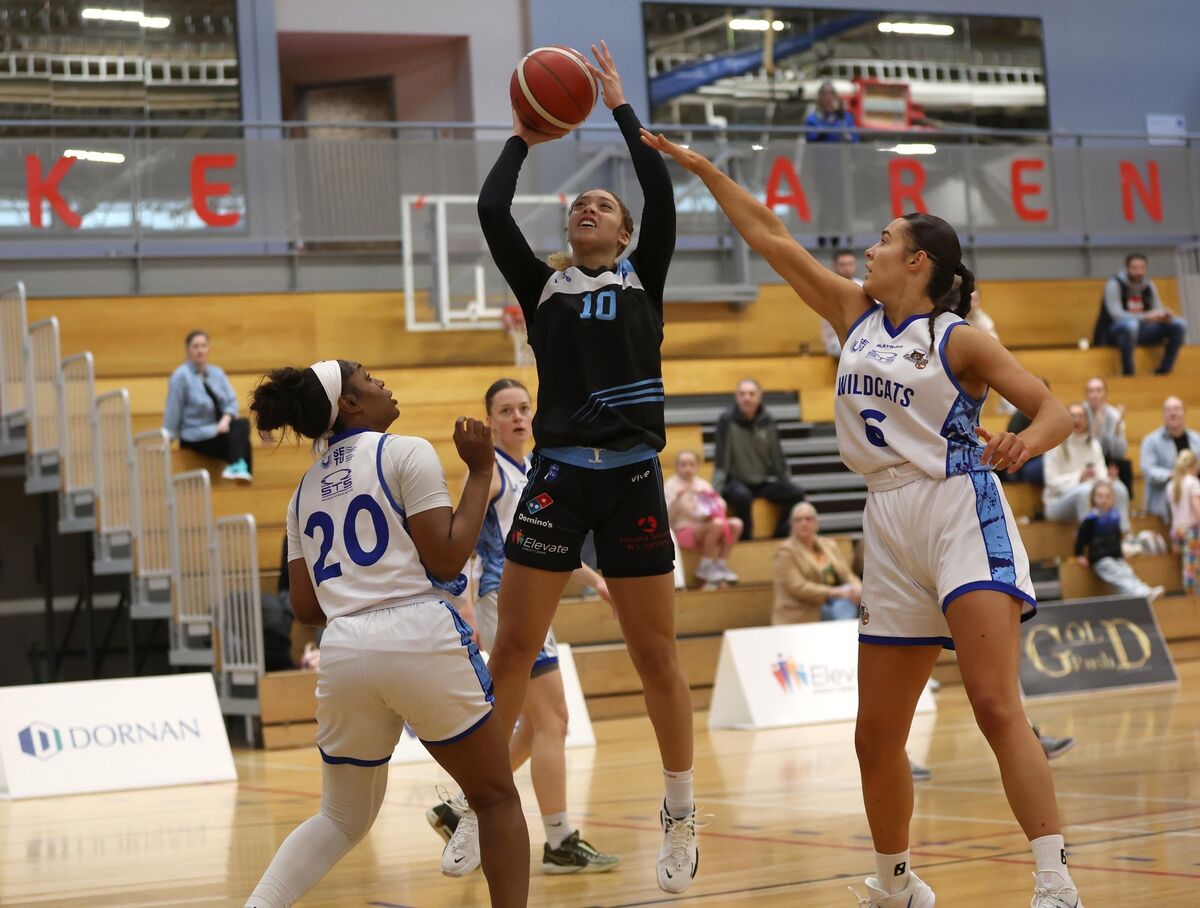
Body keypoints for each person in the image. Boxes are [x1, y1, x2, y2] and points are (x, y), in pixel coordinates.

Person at [642, 129, 1081, 908]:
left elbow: (1055, 409)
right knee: (874, 734)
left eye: (885, 241)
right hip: (886, 521)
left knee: (992, 704)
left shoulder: (960, 340)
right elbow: (770, 237)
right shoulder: (854, 315)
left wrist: (1023, 442)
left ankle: (1054, 881)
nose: (869, 251)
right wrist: (704, 167)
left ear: (919, 262)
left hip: (957, 508)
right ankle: (896, 886)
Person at [477, 42, 701, 894]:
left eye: (603, 204)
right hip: (560, 477)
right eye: (579, 203)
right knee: (512, 650)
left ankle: (679, 814)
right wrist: (524, 134)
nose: (589, 205)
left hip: (634, 475)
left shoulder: (649, 274)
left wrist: (618, 108)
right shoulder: (543, 288)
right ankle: (479, 800)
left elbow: (659, 187)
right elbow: (492, 207)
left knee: (656, 660)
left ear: (626, 233)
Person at [242, 360, 528, 908]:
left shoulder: (301, 492)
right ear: (349, 404)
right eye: (369, 380)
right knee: (494, 799)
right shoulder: (405, 451)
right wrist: (482, 471)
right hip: (419, 632)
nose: (382, 384)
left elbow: (304, 606)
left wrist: (359, 596)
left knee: (341, 819)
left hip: (344, 648)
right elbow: (447, 560)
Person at [428, 378, 620, 877]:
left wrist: (597, 581)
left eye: (523, 408)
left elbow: (549, 544)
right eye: (506, 410)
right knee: (554, 719)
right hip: (504, 600)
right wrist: (463, 605)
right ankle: (559, 840)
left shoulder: (533, 470)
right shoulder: (491, 473)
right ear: (489, 421)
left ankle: (460, 809)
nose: (517, 417)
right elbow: (464, 536)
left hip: (530, 599)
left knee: (535, 727)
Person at [713, 379, 807, 539]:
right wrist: (716, 493)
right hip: (735, 482)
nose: (747, 398)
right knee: (743, 496)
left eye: (751, 394)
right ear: (736, 397)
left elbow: (777, 457)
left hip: (760, 482)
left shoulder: (768, 421)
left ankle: (778, 536)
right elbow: (722, 459)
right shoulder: (727, 420)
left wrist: (787, 482)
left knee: (796, 494)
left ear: (760, 397)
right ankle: (746, 540)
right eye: (742, 394)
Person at [163, 329, 252, 481]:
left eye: (203, 346)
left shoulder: (217, 373)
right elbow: (173, 409)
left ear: (208, 348)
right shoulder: (181, 376)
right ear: (188, 350)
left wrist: (225, 420)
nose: (200, 350)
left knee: (241, 427)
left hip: (217, 431)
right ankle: (239, 468)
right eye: (195, 346)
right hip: (195, 435)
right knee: (241, 433)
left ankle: (240, 471)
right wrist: (165, 439)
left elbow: (231, 402)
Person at [1094, 253, 1187, 375]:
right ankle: (1129, 372)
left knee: (1179, 324)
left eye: (1142, 268)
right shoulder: (1114, 284)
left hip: (1143, 331)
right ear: (1127, 268)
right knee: (1131, 325)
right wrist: (1146, 317)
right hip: (1116, 332)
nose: (1139, 271)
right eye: (1135, 268)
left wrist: (1164, 315)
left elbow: (1157, 308)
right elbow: (1116, 315)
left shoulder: (1149, 285)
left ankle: (1164, 370)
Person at [1043, 403, 1131, 528]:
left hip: (1091, 493)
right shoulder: (1055, 446)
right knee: (1085, 490)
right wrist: (1079, 477)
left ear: (1087, 420)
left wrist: (1109, 480)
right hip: (1058, 502)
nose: (1077, 420)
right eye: (1073, 416)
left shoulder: (1093, 444)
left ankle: (1123, 534)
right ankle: (1088, 542)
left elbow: (1101, 475)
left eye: (1081, 416)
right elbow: (1052, 484)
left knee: (1119, 488)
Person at [1075, 480, 1164, 602]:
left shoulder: (1114, 516)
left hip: (1115, 556)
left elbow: (1118, 537)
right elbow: (1081, 538)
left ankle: (1143, 590)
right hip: (1101, 559)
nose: (1104, 500)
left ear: (1112, 498)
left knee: (1128, 571)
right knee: (1119, 575)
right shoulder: (1091, 519)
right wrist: (1079, 554)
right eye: (1100, 496)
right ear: (1093, 498)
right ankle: (1141, 594)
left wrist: (1121, 553)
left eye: (1107, 496)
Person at [771, 501, 860, 624]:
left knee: (851, 597)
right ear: (791, 525)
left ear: (816, 523)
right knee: (844, 605)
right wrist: (835, 593)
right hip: (806, 608)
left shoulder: (829, 545)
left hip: (837, 601)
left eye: (808, 519)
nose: (804, 523)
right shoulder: (785, 551)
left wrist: (857, 589)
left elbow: (847, 575)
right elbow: (798, 588)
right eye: (799, 520)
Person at [665, 449, 742, 587]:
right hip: (683, 531)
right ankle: (704, 566)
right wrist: (677, 499)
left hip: (708, 527)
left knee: (736, 523)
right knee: (717, 524)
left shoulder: (702, 484)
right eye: (683, 465)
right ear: (677, 466)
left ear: (697, 467)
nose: (688, 468)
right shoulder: (671, 485)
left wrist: (709, 500)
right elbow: (667, 517)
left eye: (692, 464)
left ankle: (720, 563)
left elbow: (721, 506)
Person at [1140, 396, 1200, 523]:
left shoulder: (1196, 439)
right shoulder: (1151, 441)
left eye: (1177, 409)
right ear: (1163, 414)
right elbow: (1148, 471)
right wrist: (1173, 475)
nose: (1172, 413)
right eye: (1168, 410)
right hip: (1165, 499)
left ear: (1185, 413)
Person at [1084, 376, 1133, 497]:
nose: (1095, 395)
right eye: (1091, 391)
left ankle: (1126, 502)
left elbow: (1120, 451)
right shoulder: (1081, 413)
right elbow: (1086, 446)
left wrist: (1117, 427)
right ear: (1086, 394)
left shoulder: (1114, 414)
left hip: (1107, 457)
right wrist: (1097, 427)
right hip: (1086, 459)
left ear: (1105, 393)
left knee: (1124, 465)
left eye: (1099, 390)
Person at [1168, 449, 1200, 596]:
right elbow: (1196, 505)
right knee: (1190, 564)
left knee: (1186, 561)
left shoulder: (1172, 484)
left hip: (1176, 529)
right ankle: (1192, 595)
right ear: (1193, 466)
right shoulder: (1193, 482)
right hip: (1191, 530)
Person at [820, 250, 862, 357]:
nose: (847, 268)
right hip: (835, 341)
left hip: (860, 338)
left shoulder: (863, 287)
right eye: (842, 264)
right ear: (834, 266)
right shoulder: (829, 289)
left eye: (850, 264)